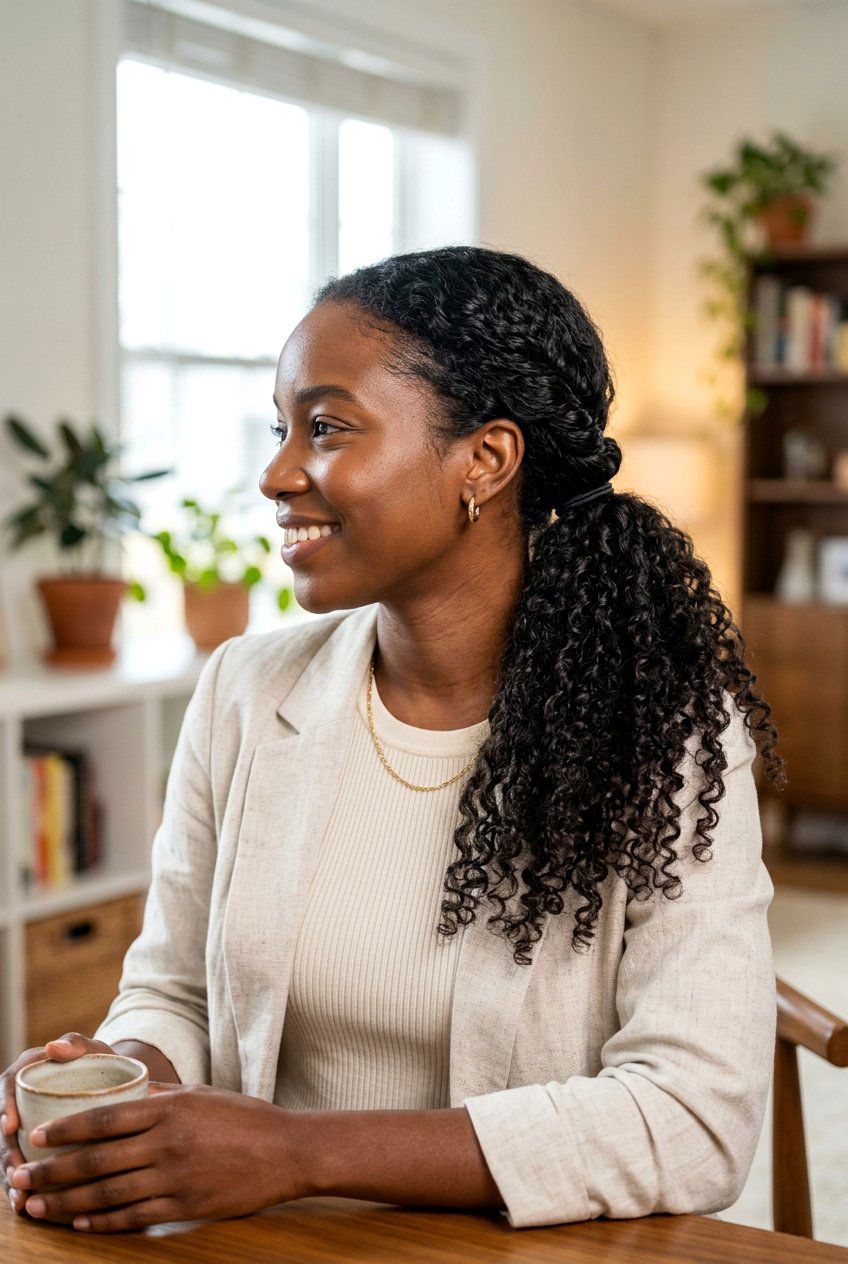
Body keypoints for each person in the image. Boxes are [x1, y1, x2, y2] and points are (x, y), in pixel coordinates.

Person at [1, 245, 786, 1234]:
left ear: (485, 461)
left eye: (325, 427)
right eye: (280, 427)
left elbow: (691, 1118)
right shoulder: (245, 690)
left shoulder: (661, 731)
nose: (277, 473)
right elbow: (174, 991)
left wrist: (295, 1153)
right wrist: (126, 1087)